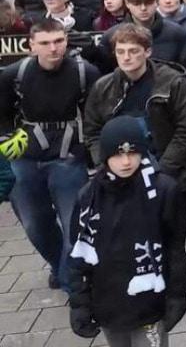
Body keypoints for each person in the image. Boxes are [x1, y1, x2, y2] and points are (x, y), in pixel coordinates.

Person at [66, 116, 186, 344]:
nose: (126, 162)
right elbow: (78, 253)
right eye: (117, 154)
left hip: (150, 305)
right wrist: (79, 304)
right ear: (105, 156)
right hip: (108, 306)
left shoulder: (163, 191)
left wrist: (177, 294)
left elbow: (177, 247)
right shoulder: (88, 196)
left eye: (133, 153)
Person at [0, 18, 101, 290]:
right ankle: (60, 268)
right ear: (31, 45)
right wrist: (6, 136)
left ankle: (74, 287)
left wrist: (92, 156)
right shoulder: (13, 74)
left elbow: (96, 115)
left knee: (74, 227)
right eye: (45, 43)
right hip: (25, 157)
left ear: (66, 41)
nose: (53, 48)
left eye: (58, 41)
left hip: (68, 157)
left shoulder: (84, 71)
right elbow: (2, 113)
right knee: (35, 225)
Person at [82, 24, 186, 196]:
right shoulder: (103, 87)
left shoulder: (173, 82)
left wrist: (163, 172)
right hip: (123, 171)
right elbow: (93, 131)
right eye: (120, 52)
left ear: (147, 52)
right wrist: (106, 165)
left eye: (133, 51)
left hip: (170, 171)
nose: (126, 57)